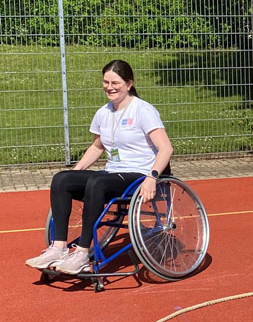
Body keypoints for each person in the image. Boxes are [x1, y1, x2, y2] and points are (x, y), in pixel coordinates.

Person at [25, 60, 173, 274]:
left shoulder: (143, 110)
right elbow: (97, 147)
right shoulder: (103, 113)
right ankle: (58, 247)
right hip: (113, 173)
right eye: (106, 82)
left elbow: (166, 148)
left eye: (115, 82)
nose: (109, 87)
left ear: (129, 84)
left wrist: (152, 177)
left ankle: (83, 252)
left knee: (97, 182)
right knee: (61, 179)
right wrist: (74, 173)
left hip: (140, 174)